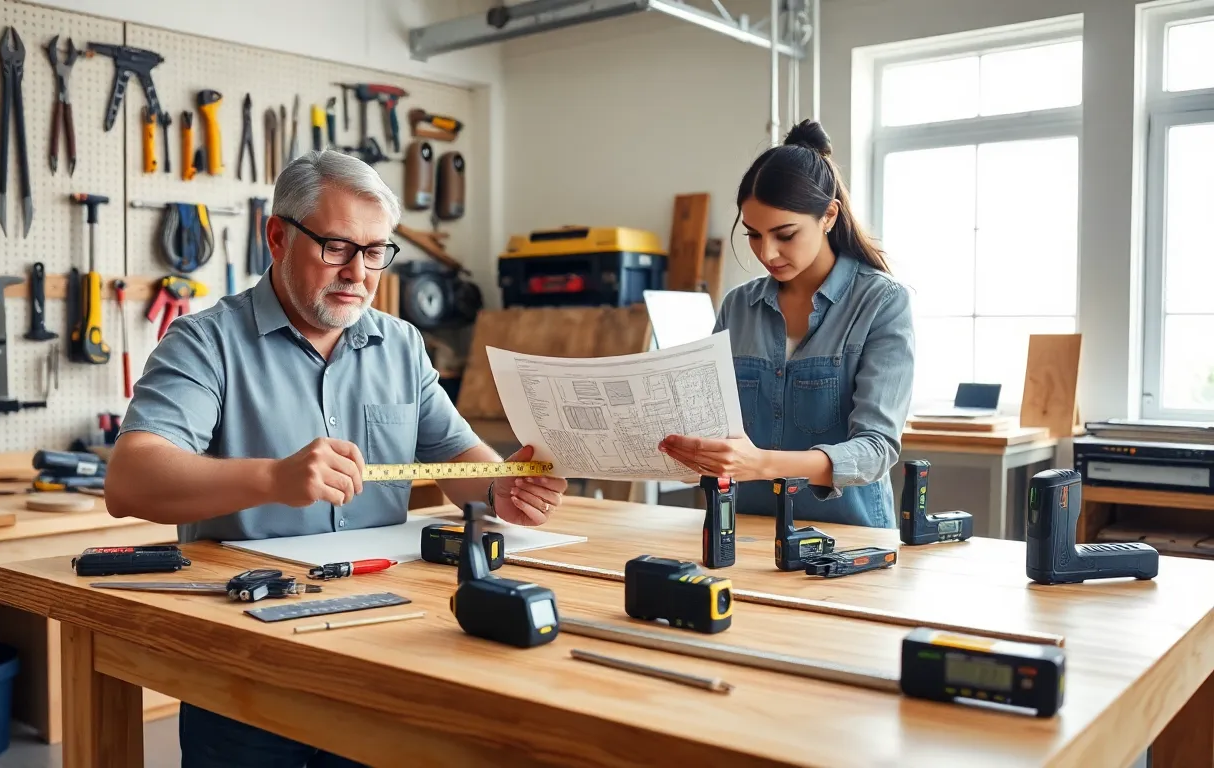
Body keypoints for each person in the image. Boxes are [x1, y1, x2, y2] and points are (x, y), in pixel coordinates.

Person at [104, 149, 569, 767]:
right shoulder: (204, 342)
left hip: (381, 639)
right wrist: (272, 478)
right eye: (337, 247)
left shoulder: (401, 345)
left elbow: (456, 456)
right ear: (277, 237)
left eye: (375, 251)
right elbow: (129, 481)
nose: (358, 272)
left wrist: (497, 489)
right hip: (248, 650)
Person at [658, 119, 915, 528]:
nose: (767, 253)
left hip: (846, 539)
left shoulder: (881, 302)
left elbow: (875, 451)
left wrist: (761, 463)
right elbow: (711, 424)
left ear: (828, 215)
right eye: (754, 235)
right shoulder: (738, 306)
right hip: (741, 532)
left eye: (785, 234)